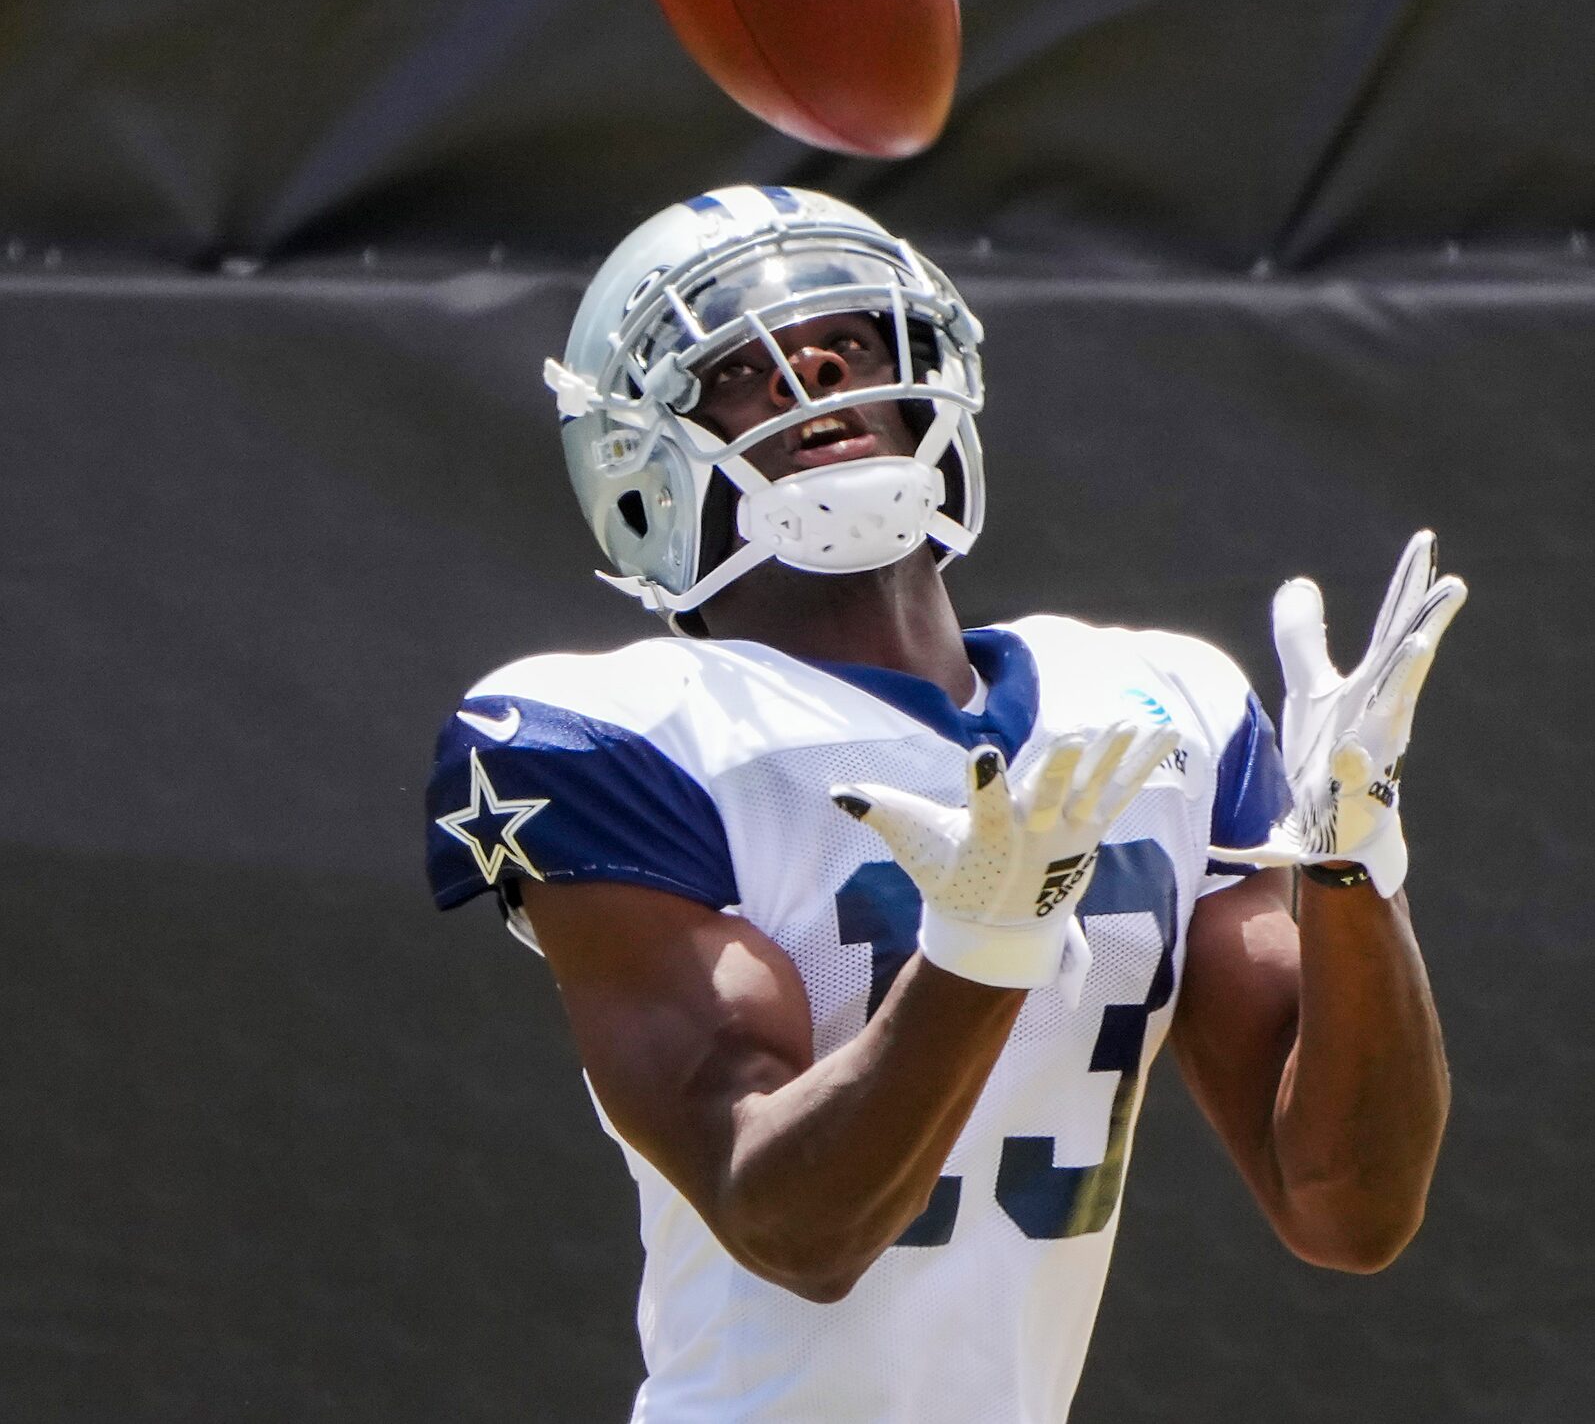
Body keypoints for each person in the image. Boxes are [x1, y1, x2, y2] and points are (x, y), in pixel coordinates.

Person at [425, 184, 1465, 1423]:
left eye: (849, 341)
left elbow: (1344, 1211)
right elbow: (792, 1224)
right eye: (739, 366)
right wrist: (982, 943)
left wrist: (1356, 866)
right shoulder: (616, 735)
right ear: (636, 454)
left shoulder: (1155, 702)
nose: (808, 363)